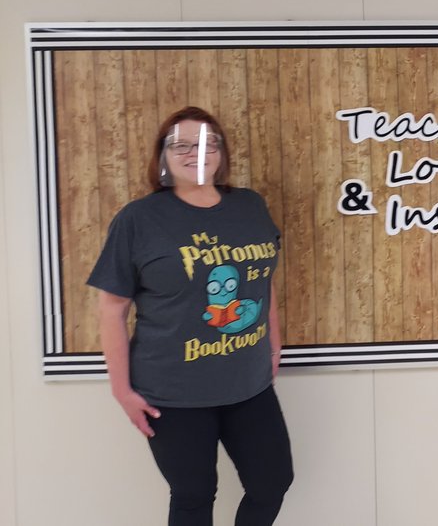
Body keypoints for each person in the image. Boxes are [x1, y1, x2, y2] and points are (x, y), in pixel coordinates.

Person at [88, 106, 293, 526]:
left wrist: (274, 343)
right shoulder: (139, 219)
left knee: (272, 482)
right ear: (163, 155)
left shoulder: (250, 206)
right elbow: (112, 308)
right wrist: (121, 390)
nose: (195, 152)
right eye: (181, 144)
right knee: (194, 496)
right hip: (171, 394)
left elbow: (261, 277)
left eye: (207, 144)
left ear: (221, 154)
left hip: (248, 386)